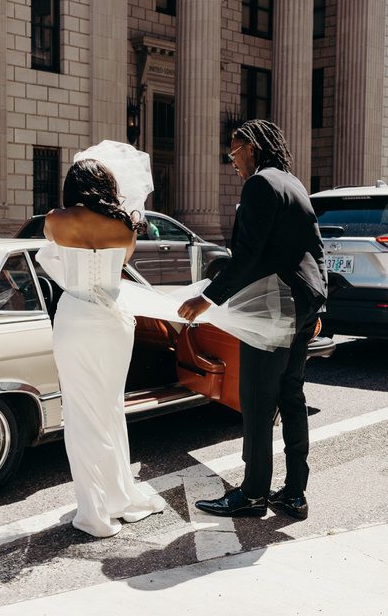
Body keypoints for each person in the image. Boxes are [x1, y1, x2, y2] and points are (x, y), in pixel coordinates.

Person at [178, 120, 327, 521]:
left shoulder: (261, 184)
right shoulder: (294, 183)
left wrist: (207, 298)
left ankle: (253, 494)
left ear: (252, 146)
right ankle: (294, 494)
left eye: (233, 153)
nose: (232, 163)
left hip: (273, 309)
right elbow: (316, 250)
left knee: (258, 402)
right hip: (301, 305)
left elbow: (247, 256)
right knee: (291, 397)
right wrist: (316, 309)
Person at [37, 155, 165, 538]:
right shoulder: (126, 227)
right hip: (112, 323)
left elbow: (51, 249)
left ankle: (93, 512)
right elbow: (122, 263)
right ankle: (117, 496)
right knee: (110, 408)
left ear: (71, 187)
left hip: (74, 319)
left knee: (80, 414)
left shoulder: (55, 220)